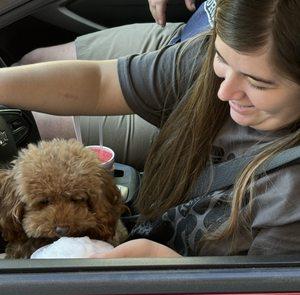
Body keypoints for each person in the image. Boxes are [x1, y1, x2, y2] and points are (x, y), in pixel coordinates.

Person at [0, 0, 299, 258]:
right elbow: (100, 85)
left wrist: (165, 266)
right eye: (221, 58)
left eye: (258, 83)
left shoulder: (290, 200)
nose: (223, 91)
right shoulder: (210, 66)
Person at [16, 0, 217, 171]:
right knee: (31, 61)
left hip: (189, 102)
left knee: (22, 121)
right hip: (187, 37)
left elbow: (100, 85)